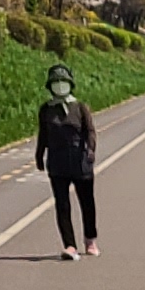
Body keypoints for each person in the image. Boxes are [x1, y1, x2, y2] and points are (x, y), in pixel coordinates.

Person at [36, 62, 100, 258]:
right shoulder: (46, 110)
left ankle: (90, 239)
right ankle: (69, 245)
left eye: (63, 82)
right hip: (58, 162)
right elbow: (43, 134)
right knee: (62, 205)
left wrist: (90, 150)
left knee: (87, 203)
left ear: (70, 84)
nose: (60, 86)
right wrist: (39, 155)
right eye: (56, 82)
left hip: (80, 162)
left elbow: (90, 131)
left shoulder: (80, 107)